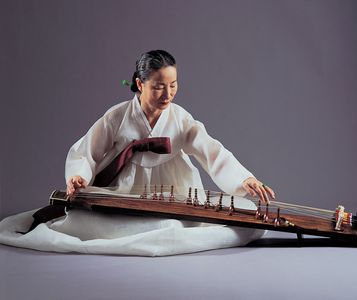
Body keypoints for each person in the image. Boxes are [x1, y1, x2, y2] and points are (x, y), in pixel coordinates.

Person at [65, 50, 275, 203]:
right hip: (124, 193)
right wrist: (78, 176)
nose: (168, 94)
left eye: (173, 85)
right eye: (158, 87)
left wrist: (244, 177)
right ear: (140, 84)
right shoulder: (117, 116)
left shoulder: (181, 119)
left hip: (175, 194)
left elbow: (212, 152)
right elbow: (87, 152)